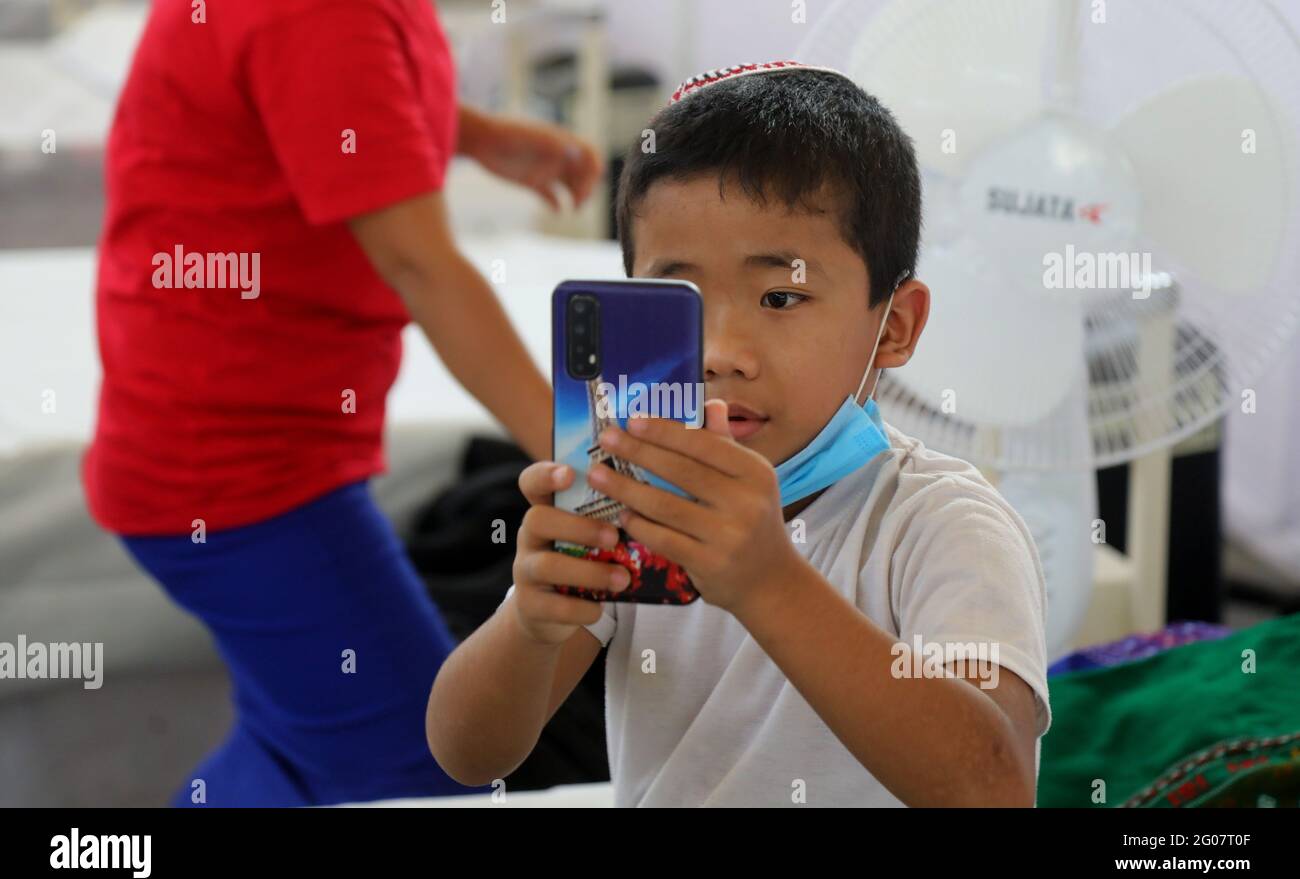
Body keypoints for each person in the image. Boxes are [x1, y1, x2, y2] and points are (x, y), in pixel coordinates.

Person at [426, 62, 1052, 807]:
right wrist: (531, 625)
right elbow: (467, 755)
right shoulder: (638, 510)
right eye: (681, 298)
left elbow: (994, 789)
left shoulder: (941, 527)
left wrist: (768, 582)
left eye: (781, 295)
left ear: (896, 326)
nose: (722, 352)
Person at [82, 0, 602, 807]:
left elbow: (336, 100)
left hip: (218, 442)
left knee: (304, 730)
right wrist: (588, 461)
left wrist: (470, 133)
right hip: (239, 474)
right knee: (428, 768)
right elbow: (423, 268)